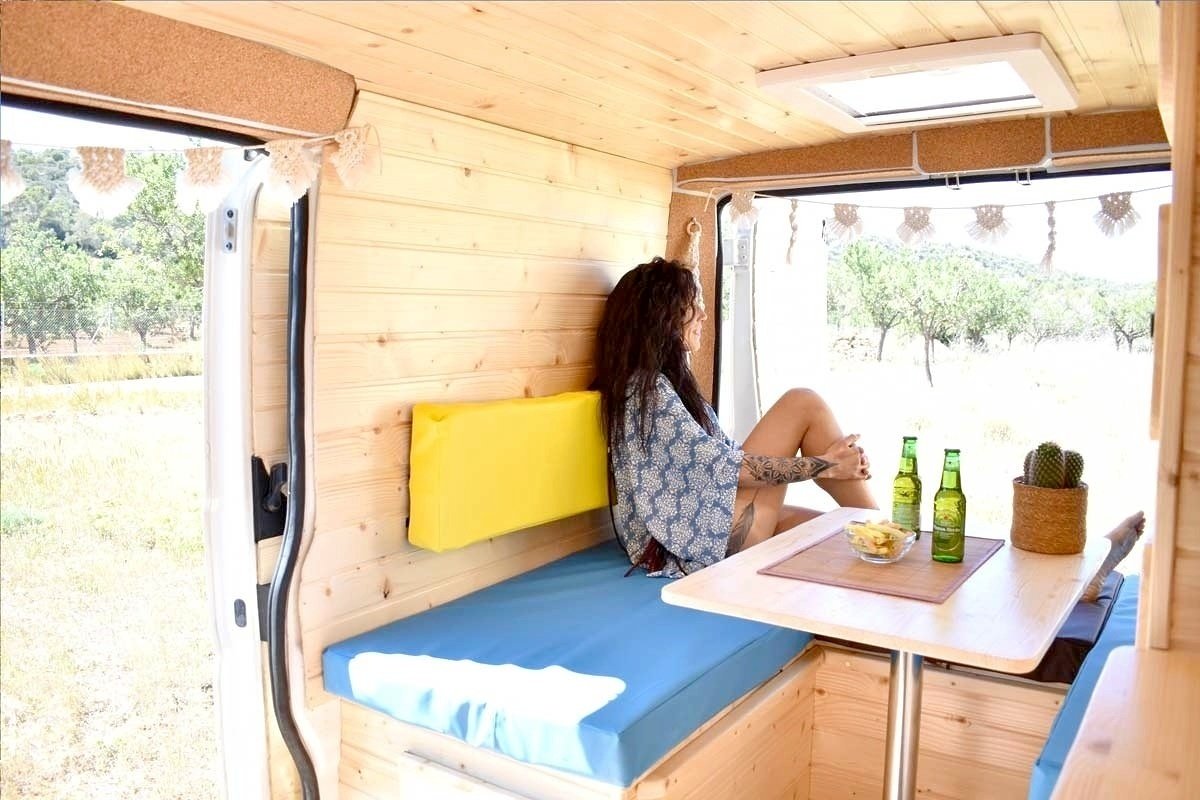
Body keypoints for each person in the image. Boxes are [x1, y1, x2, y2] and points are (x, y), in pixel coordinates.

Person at [593, 256, 878, 577]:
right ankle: (886, 530)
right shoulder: (647, 391)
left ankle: (881, 531)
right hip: (700, 542)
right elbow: (731, 469)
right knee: (803, 403)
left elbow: (724, 460)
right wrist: (827, 465)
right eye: (691, 306)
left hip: (714, 525)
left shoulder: (664, 386)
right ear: (662, 317)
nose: (703, 314)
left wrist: (831, 463)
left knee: (842, 535)